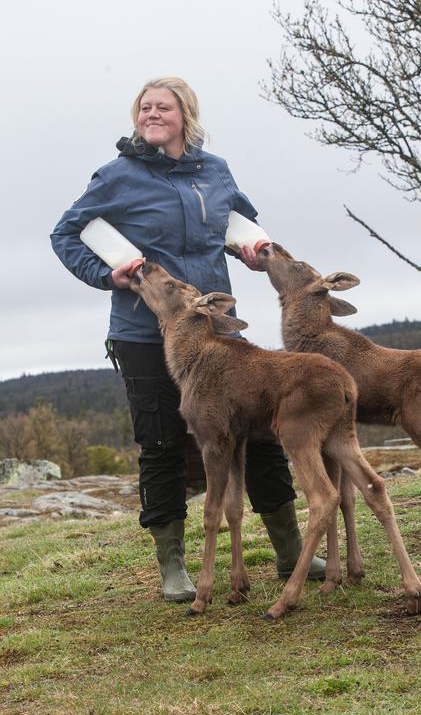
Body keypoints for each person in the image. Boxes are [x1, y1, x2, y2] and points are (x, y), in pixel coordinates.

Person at [51, 76, 325, 602]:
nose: (152, 114)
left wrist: (253, 250)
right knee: (161, 442)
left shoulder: (215, 171)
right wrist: (104, 274)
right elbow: (64, 233)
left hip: (217, 331)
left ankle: (291, 549)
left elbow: (241, 224)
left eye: (163, 107)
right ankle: (172, 563)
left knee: (263, 430)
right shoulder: (115, 176)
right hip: (142, 330)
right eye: (144, 107)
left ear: (186, 116)